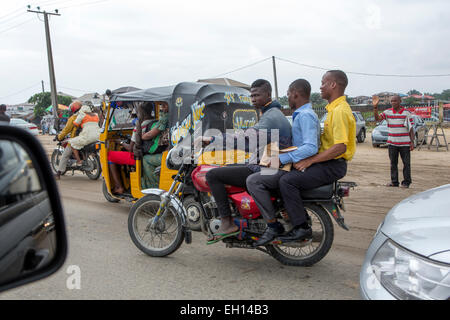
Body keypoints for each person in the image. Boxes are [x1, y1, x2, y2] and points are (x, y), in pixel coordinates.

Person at [205, 79, 292, 244]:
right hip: (268, 162)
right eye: (251, 95)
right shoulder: (270, 114)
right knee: (229, 167)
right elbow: (254, 142)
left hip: (265, 167)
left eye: (257, 95)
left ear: (268, 94)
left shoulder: (270, 116)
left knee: (213, 175)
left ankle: (227, 222)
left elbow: (246, 140)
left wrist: (213, 139)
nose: (253, 98)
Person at [276, 70, 356, 243]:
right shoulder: (333, 109)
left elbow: (340, 147)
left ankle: (301, 227)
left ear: (333, 85)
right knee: (286, 176)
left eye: (323, 82)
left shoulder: (340, 111)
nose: (320, 87)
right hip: (328, 162)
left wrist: (309, 161)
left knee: (287, 181)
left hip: (333, 165)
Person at [246, 79, 320, 246]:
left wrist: (281, 159)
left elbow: (310, 147)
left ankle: (273, 226)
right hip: (293, 162)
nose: (287, 98)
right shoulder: (300, 114)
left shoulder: (305, 115)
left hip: (297, 164)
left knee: (254, 180)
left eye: (288, 94)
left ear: (295, 94)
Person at [106, 103, 155, 194]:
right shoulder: (155, 122)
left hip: (138, 156)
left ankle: (119, 187)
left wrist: (120, 142)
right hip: (148, 153)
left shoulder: (139, 125)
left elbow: (130, 148)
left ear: (140, 112)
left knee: (110, 155)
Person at [373, 94, 414, 188]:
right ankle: (394, 182)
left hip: (404, 143)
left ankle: (406, 182)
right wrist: (375, 107)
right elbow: (377, 119)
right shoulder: (387, 112)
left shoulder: (406, 113)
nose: (393, 103)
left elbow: (411, 128)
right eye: (391, 101)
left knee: (406, 164)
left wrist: (412, 142)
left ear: (400, 101)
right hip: (392, 143)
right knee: (393, 163)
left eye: (395, 101)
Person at [141, 101, 169, 189]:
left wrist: (142, 136)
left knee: (146, 159)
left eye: (164, 105)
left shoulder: (165, 118)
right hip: (174, 152)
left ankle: (155, 187)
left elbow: (149, 135)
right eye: (161, 105)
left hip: (171, 155)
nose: (162, 108)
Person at [54, 101, 82, 179]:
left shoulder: (73, 118)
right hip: (87, 138)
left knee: (65, 155)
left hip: (76, 139)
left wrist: (59, 137)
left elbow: (66, 130)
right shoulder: (85, 116)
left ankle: (58, 173)